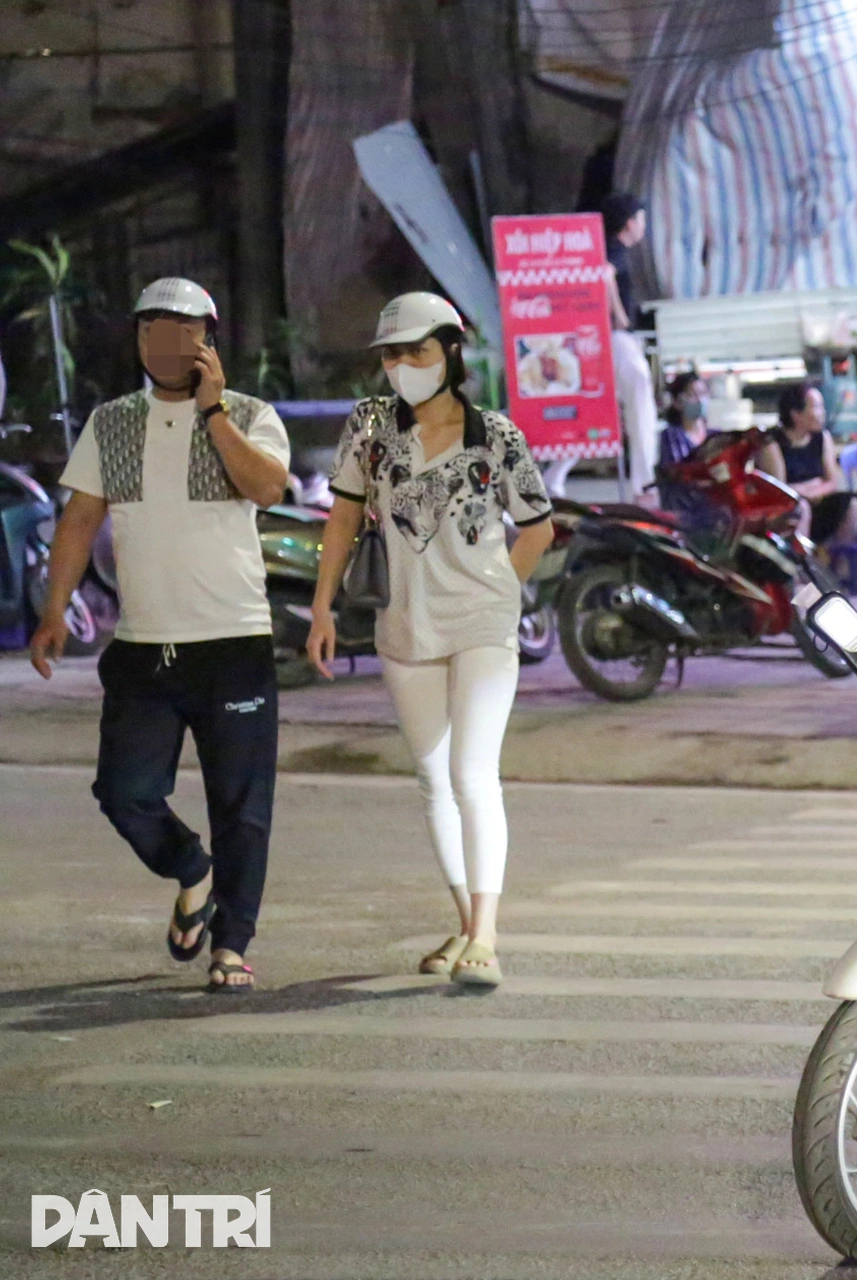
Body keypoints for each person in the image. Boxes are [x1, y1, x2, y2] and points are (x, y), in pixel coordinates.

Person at [29, 278, 290, 993]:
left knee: (242, 808)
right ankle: (190, 868)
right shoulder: (111, 422)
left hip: (234, 642)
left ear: (209, 339)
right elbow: (80, 520)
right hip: (144, 647)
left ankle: (231, 945)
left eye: (181, 332)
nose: (164, 345)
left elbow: (267, 488)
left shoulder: (252, 414)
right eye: (151, 332)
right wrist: (54, 611)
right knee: (124, 791)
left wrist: (214, 413)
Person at [305, 293, 554, 989]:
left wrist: (501, 591)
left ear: (450, 350)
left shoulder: (495, 434)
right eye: (392, 354)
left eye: (416, 350)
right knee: (434, 779)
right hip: (404, 624)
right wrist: (322, 608)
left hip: (481, 625)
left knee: (472, 774)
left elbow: (538, 527)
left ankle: (486, 936)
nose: (402, 365)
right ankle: (468, 924)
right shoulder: (369, 427)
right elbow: (342, 519)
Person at [602, 191, 660, 497]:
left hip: (617, 339)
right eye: (641, 219)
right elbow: (605, 276)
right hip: (618, 338)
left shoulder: (616, 250)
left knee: (605, 408)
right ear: (629, 223)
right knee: (640, 401)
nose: (643, 226)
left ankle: (555, 475)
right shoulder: (616, 250)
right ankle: (644, 482)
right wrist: (620, 314)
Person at [766, 380, 857, 550]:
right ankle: (800, 561)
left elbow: (832, 481)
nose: (822, 413)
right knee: (802, 508)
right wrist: (810, 487)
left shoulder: (823, 438)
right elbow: (778, 488)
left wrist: (811, 491)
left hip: (818, 501)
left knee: (854, 505)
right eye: (817, 407)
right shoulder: (771, 442)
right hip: (786, 509)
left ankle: (841, 562)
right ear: (796, 414)